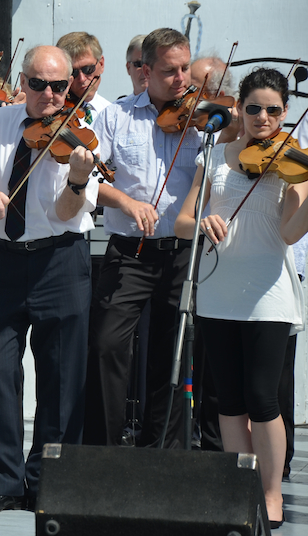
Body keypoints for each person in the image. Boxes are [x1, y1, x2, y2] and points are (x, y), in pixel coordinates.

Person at [0, 45, 97, 511]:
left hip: (60, 260)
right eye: (38, 84)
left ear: (70, 85)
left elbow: (69, 212)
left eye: (58, 85)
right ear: (22, 84)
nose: (49, 95)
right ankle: (2, 483)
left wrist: (75, 180)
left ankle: (48, 482)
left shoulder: (82, 136)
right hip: (3, 258)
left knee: (61, 376)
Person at [174, 67, 307, 529]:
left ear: (285, 112)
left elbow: (290, 233)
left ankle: (271, 494)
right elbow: (182, 223)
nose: (264, 118)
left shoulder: (293, 164)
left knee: (262, 397)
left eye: (273, 110)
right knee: (228, 399)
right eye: (254, 109)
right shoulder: (214, 157)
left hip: (269, 293)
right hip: (218, 290)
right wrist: (203, 223)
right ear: (239, 109)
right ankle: (243, 489)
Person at [85, 28, 199, 450]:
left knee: (171, 356)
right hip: (129, 251)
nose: (181, 79)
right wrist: (127, 202)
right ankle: (105, 452)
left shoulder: (201, 119)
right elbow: (92, 177)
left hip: (181, 252)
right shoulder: (116, 116)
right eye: (170, 71)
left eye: (185, 68)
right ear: (146, 71)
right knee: (106, 346)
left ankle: (161, 455)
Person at [56, 31, 111, 123]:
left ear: (101, 64)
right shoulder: (53, 109)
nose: (82, 79)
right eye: (73, 72)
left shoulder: (111, 112)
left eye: (88, 69)